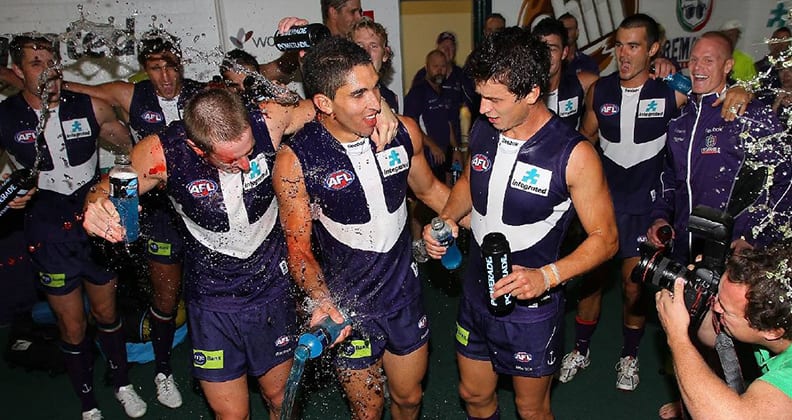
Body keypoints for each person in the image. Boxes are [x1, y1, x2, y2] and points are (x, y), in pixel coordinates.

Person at [424, 26, 618, 420]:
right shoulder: (485, 129)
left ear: (532, 93)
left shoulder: (573, 153)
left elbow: (606, 238)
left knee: (531, 409)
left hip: (532, 307)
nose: (483, 108)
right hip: (476, 290)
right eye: (480, 96)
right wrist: (446, 218)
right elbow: (468, 181)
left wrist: (547, 276)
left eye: (495, 99)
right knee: (473, 395)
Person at [83, 88, 314, 420]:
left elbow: (329, 106)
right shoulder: (164, 152)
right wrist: (95, 206)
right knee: (231, 415)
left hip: (270, 289)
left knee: (279, 399)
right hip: (212, 299)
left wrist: (382, 112)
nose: (246, 164)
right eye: (232, 158)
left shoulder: (269, 119)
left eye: (249, 152)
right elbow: (104, 188)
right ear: (197, 148)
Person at [273, 36, 451, 420]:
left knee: (408, 399)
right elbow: (299, 250)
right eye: (359, 94)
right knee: (367, 412)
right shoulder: (297, 159)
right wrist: (321, 300)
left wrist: (487, 224)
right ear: (324, 103)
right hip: (349, 310)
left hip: (404, 296)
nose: (375, 103)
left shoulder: (401, 131)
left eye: (375, 88)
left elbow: (433, 192)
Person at [0, 34, 145, 420]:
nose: (46, 70)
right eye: (35, 63)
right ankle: (87, 403)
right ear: (17, 71)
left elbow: (135, 152)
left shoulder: (91, 107)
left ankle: (122, 383)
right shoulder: (5, 116)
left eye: (51, 62)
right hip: (46, 227)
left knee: (107, 313)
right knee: (71, 324)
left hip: (90, 220)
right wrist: (5, 189)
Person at [64, 30, 206, 408]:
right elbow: (65, 86)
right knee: (165, 297)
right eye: (156, 68)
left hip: (201, 205)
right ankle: (163, 371)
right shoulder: (131, 95)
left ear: (182, 64)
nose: (166, 76)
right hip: (159, 213)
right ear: (145, 69)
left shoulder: (203, 93)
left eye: (172, 66)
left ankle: (211, 367)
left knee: (207, 293)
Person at [560, 14, 687, 391]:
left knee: (634, 287)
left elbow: (711, 94)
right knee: (591, 282)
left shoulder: (672, 91)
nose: (624, 54)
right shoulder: (599, 90)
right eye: (619, 45)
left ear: (652, 49)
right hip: (604, 205)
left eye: (634, 46)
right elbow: (584, 139)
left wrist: (676, 72)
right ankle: (581, 350)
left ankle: (628, 357)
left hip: (647, 208)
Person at [647, 32, 792, 262]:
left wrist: (754, 237)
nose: (697, 67)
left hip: (736, 254)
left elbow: (785, 182)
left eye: (708, 60)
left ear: (727, 66)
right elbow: (669, 178)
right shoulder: (679, 122)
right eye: (694, 60)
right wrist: (660, 218)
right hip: (685, 252)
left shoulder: (751, 116)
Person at [655, 243, 792, 419]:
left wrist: (677, 336)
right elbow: (713, 337)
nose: (716, 307)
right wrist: (696, 294)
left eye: (725, 309)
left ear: (772, 332)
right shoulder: (776, 316)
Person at [404, 49, 463, 181]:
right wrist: (432, 146)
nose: (439, 70)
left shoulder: (445, 91)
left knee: (448, 192)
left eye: (443, 66)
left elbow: (448, 123)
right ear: (427, 67)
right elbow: (411, 125)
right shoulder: (417, 93)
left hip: (445, 154)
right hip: (427, 156)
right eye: (435, 66)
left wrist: (455, 149)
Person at [532, 18, 598, 130]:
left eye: (552, 49)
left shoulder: (579, 84)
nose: (546, 56)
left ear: (564, 53)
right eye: (541, 49)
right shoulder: (522, 90)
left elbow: (613, 85)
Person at [350, 17, 399, 112]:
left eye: (373, 46)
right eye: (359, 46)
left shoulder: (390, 97)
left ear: (385, 54)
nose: (366, 52)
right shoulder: (337, 95)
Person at [755, 26, 791, 106]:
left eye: (785, 40)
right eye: (777, 39)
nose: (780, 43)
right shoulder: (758, 67)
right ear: (771, 42)